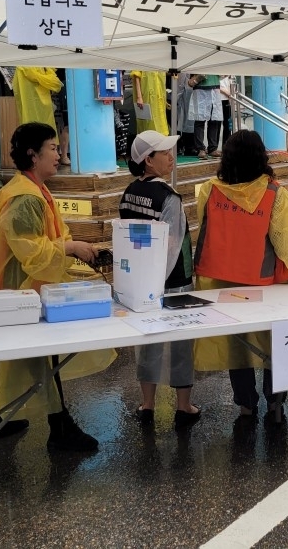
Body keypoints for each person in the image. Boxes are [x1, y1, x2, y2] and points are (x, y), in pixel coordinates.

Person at [0, 122, 116, 451]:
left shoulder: (34, 189)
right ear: (33, 155)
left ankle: (37, 422)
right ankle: (50, 426)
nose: (59, 154)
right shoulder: (25, 197)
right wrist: (71, 248)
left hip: (34, 287)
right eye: (53, 148)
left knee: (40, 361)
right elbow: (32, 251)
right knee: (39, 359)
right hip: (26, 290)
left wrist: (71, 247)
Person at [192, 130, 288, 419]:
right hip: (263, 283)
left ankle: (246, 404)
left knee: (239, 346)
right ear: (261, 156)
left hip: (218, 282)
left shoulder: (209, 190)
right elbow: (287, 241)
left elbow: (205, 229)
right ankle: (275, 402)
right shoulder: (275, 194)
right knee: (272, 343)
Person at [120, 131, 201, 427]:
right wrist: (160, 284)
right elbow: (172, 243)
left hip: (140, 282)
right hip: (173, 280)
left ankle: (148, 404)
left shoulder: (129, 192)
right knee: (180, 342)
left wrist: (143, 284)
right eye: (164, 153)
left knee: (148, 342)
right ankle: (183, 406)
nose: (171, 157)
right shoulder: (169, 197)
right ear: (148, 161)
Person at [188, 74, 224, 160]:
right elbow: (190, 82)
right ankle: (200, 149)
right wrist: (197, 78)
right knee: (200, 120)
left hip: (214, 88)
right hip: (200, 89)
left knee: (214, 120)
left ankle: (213, 148)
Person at [130, 70, 169, 135]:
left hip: (159, 98)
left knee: (161, 124)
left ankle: (160, 142)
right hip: (146, 95)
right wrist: (139, 97)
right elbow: (136, 75)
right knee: (148, 123)